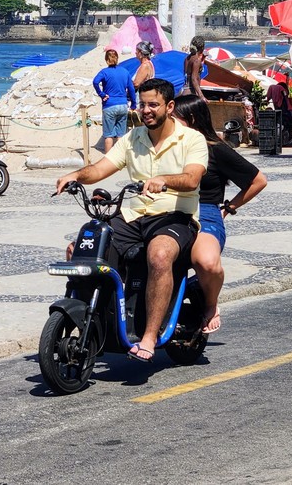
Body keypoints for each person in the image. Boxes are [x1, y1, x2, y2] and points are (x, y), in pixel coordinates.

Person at [55, 78, 208, 364]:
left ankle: (149, 336)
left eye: (153, 104)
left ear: (169, 106)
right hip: (133, 216)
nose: (146, 110)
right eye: (142, 104)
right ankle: (93, 322)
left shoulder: (191, 139)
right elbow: (101, 168)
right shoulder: (132, 138)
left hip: (176, 217)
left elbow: (192, 179)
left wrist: (164, 180)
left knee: (160, 255)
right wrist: (75, 175)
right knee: (83, 248)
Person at [173, 95, 267, 334]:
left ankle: (211, 304)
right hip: (170, 209)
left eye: (175, 119)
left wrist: (229, 208)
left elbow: (258, 181)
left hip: (205, 211)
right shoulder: (167, 147)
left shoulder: (215, 150)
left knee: (206, 262)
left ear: (191, 119)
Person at [92, 48, 136, 153]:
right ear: (117, 58)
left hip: (109, 105)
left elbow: (95, 82)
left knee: (108, 135)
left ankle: (108, 159)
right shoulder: (125, 72)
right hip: (122, 105)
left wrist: (101, 94)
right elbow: (131, 89)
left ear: (106, 60)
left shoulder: (104, 72)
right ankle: (120, 158)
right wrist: (133, 104)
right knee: (121, 134)